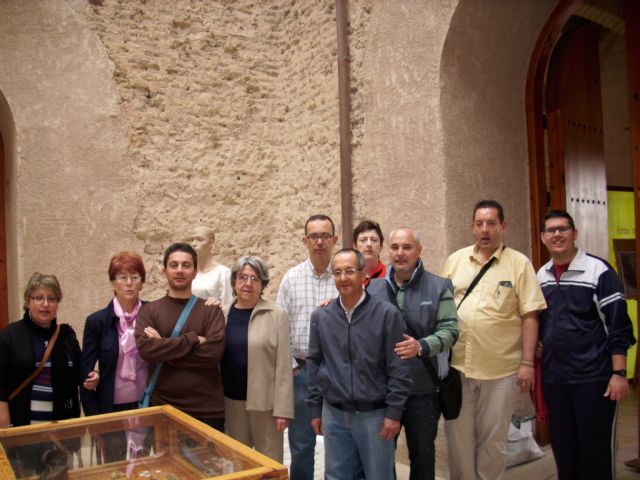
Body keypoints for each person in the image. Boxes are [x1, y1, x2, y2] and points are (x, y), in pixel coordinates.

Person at [440, 199, 546, 480]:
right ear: (472, 227)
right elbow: (441, 308)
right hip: (458, 369)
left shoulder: (519, 264)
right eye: (479, 224)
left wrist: (527, 363)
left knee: (493, 443)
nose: (485, 230)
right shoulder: (455, 260)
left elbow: (530, 316)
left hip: (500, 371)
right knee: (458, 440)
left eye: (491, 223)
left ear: (503, 226)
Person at [537, 210, 636, 480]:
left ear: (574, 233)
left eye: (563, 229)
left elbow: (618, 325)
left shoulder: (599, 271)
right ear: (543, 237)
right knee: (564, 451)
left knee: (595, 453)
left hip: (594, 379)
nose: (557, 235)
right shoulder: (541, 275)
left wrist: (618, 374)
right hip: (556, 380)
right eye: (551, 230)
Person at [307, 248, 413, 480]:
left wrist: (394, 413)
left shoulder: (387, 314)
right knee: (335, 476)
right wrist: (316, 410)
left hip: (374, 415)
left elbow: (399, 369)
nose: (343, 278)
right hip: (334, 414)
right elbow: (314, 364)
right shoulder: (322, 317)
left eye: (349, 271)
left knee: (379, 476)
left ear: (363, 273)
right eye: (337, 272)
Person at [368, 228, 458, 480]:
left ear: (419, 251)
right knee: (383, 459)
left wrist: (422, 345)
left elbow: (451, 330)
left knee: (423, 458)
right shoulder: (372, 289)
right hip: (383, 392)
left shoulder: (439, 287)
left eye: (407, 247)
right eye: (395, 247)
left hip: (424, 392)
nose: (400, 253)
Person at [0, 273, 97, 474]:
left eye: (51, 298)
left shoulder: (66, 337)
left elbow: (81, 374)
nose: (45, 304)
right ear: (28, 301)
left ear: (57, 303)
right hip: (24, 433)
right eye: (38, 298)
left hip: (59, 436)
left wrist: (93, 375)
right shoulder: (10, 335)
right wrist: (7, 432)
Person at [135, 243, 226, 429]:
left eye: (186, 265)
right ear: (164, 271)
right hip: (162, 409)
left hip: (206, 411)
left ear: (195, 272)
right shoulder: (149, 311)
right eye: (174, 265)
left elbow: (213, 355)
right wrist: (192, 340)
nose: (179, 270)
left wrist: (163, 346)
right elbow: (147, 351)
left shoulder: (210, 311)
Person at [276, 214, 338, 480]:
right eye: (314, 236)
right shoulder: (291, 279)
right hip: (301, 375)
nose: (320, 241)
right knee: (301, 445)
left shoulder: (345, 276)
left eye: (325, 235)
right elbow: (279, 327)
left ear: (334, 239)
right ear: (305, 241)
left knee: (338, 444)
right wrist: (291, 368)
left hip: (338, 374)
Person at [221, 256, 293, 462]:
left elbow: (283, 366)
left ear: (262, 284)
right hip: (231, 404)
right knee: (236, 465)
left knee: (268, 465)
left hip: (266, 407)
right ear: (234, 282)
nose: (248, 283)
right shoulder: (221, 314)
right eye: (243, 277)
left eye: (255, 278)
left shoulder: (276, 315)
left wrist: (283, 410)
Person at [80, 252, 148, 462]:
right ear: (113, 282)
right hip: (110, 409)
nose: (129, 283)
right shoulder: (97, 321)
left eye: (134, 276)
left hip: (146, 406)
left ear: (142, 282)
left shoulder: (153, 314)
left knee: (144, 466)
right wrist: (96, 419)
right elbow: (85, 375)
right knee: (115, 468)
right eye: (122, 277)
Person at [190, 226, 233, 307]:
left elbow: (228, 307)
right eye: (192, 239)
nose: (194, 244)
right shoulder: (188, 273)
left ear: (211, 242)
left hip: (211, 317)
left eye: (199, 239)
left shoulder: (223, 273)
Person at [353, 219, 387, 287]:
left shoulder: (389, 275)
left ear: (381, 246)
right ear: (355, 246)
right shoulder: (350, 276)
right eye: (363, 240)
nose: (369, 244)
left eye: (374, 240)